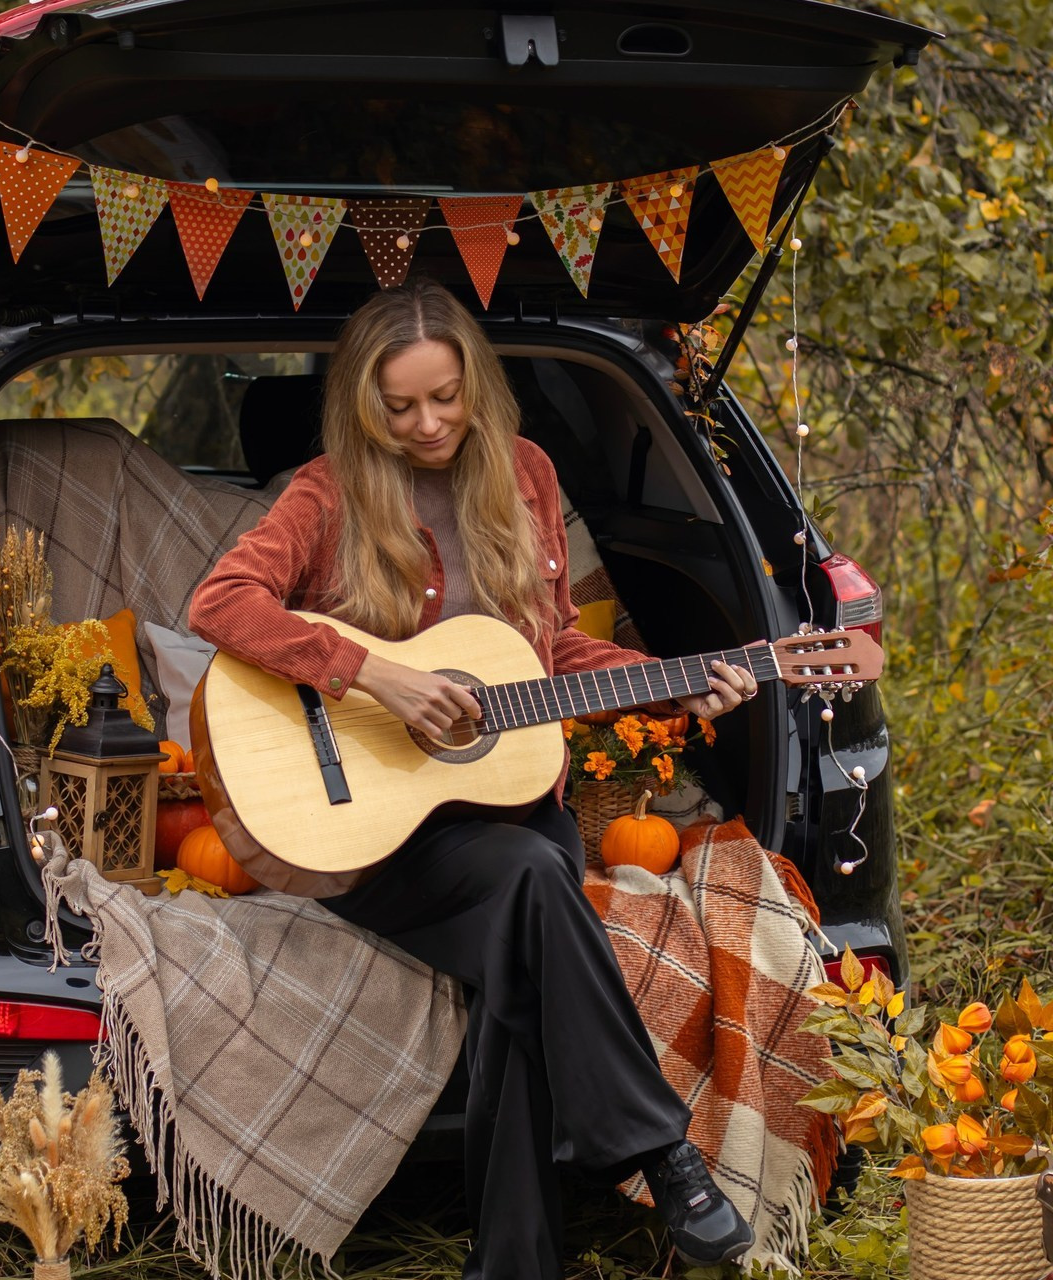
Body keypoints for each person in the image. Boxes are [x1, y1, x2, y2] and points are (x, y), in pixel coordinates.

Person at [188, 279, 757, 1278]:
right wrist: (377, 673)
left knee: (521, 975)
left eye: (443, 397)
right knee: (537, 888)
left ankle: (514, 1262)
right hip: (372, 831)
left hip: (509, 806)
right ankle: (662, 1152)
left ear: (474, 385)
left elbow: (554, 652)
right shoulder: (326, 493)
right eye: (398, 406)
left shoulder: (526, 475)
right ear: (363, 405)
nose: (425, 423)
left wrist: (672, 689)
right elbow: (220, 601)